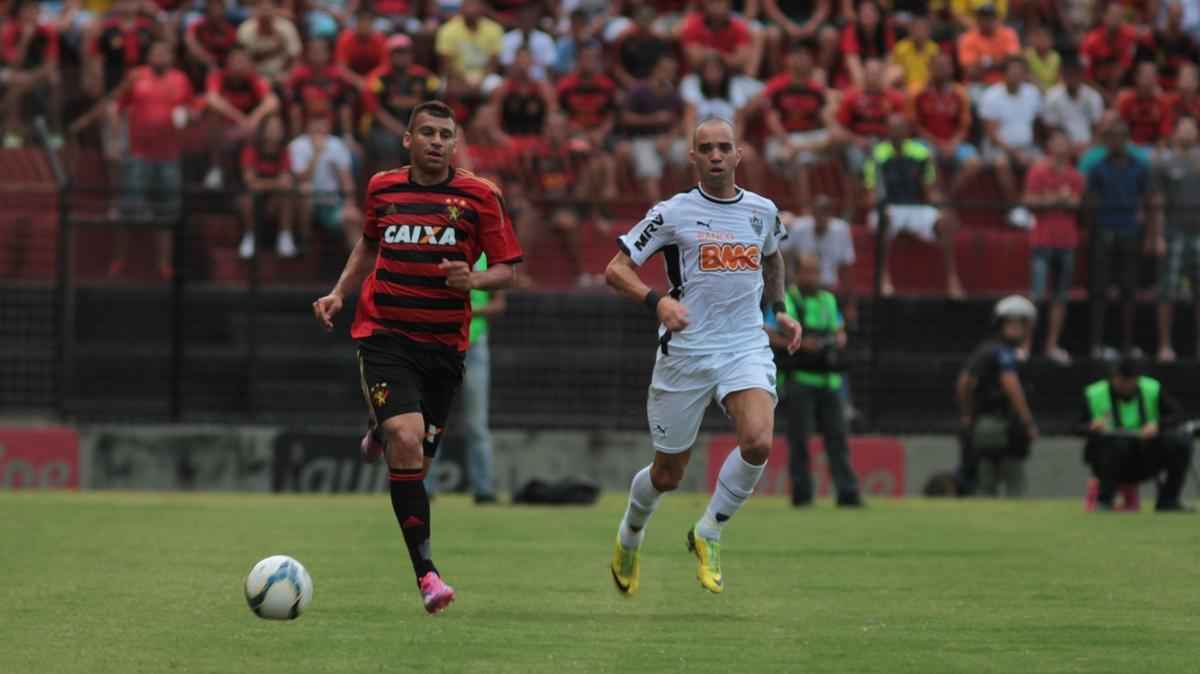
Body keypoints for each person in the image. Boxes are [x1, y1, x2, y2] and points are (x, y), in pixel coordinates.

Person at [311, 100, 523, 613]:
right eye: (425, 132)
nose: (435, 141)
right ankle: (427, 574)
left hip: (444, 347)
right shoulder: (383, 187)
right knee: (405, 439)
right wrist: (340, 292)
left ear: (456, 143)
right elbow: (367, 244)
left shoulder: (480, 196)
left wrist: (473, 279)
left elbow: (508, 268)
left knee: (419, 461)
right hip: (385, 333)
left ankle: (377, 423)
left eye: (444, 134)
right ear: (407, 140)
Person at [607, 118, 802, 596]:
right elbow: (615, 270)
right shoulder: (672, 213)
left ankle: (709, 531)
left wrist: (780, 310)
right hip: (688, 351)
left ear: (739, 155)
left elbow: (772, 255)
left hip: (744, 344)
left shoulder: (761, 210)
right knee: (668, 474)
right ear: (692, 158)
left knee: (757, 441)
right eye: (705, 148)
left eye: (724, 147)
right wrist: (659, 302)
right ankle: (631, 532)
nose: (716, 155)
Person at [70, 39, 193, 279]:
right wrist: (116, 130)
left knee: (166, 213)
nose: (159, 55)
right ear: (149, 56)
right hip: (138, 155)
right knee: (127, 210)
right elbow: (116, 104)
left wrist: (186, 114)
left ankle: (164, 265)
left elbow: (191, 107)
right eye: (155, 51)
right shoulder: (136, 76)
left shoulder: (181, 79)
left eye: (164, 51)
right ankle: (119, 260)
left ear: (171, 57)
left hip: (169, 156)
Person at [773, 253, 861, 508]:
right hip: (800, 380)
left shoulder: (828, 299)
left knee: (838, 438)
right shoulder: (786, 300)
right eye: (807, 272)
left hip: (830, 381)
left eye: (815, 272)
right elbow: (767, 331)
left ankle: (847, 492)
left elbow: (839, 330)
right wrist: (799, 344)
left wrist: (837, 339)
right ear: (796, 274)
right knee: (799, 441)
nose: (812, 277)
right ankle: (802, 495)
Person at [864, 113, 964, 298]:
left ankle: (952, 278)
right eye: (893, 130)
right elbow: (872, 191)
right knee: (883, 220)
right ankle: (883, 277)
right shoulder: (878, 154)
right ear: (887, 132)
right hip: (888, 208)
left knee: (944, 222)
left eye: (900, 130)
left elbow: (929, 189)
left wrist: (943, 208)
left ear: (907, 132)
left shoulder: (921, 153)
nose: (897, 133)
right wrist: (879, 204)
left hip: (915, 207)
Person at [1080, 358, 1194, 512]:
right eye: (1122, 381)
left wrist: (1157, 425)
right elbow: (1074, 426)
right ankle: (1105, 500)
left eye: (1130, 381)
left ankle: (1168, 500)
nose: (1126, 385)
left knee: (1181, 441)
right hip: (1109, 460)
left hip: (1146, 455)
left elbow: (1178, 415)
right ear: (1113, 378)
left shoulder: (1151, 388)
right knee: (1116, 445)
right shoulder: (1095, 393)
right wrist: (1090, 427)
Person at [956, 296, 1039, 497]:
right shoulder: (1005, 353)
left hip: (982, 427)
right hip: (1006, 426)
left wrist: (967, 414)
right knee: (1015, 483)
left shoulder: (984, 350)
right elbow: (1011, 386)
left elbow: (964, 382)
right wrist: (1027, 421)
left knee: (985, 486)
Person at [1085, 121, 1155, 358]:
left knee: (1129, 290)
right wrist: (1089, 232)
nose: (1116, 141)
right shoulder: (1097, 168)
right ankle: (1096, 344)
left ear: (1127, 139)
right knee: (1099, 290)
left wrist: (1149, 235)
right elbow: (1090, 202)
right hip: (1104, 231)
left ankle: (1127, 344)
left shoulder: (1139, 168)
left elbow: (1148, 201)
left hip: (1129, 231)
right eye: (1111, 137)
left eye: (1120, 136)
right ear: (1105, 141)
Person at [1023, 130, 1084, 365]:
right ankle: (1026, 345)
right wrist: (1058, 199)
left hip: (1066, 241)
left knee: (1060, 297)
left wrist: (1049, 199)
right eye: (1056, 141)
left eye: (1064, 142)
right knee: (1037, 295)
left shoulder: (1076, 175)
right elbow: (1030, 201)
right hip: (1042, 240)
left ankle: (1051, 345)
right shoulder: (1038, 171)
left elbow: (1075, 204)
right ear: (1049, 145)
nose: (1060, 146)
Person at [760, 40, 830, 212]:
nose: (801, 60)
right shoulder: (776, 87)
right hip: (783, 140)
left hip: (808, 139)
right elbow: (771, 120)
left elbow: (827, 120)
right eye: (796, 56)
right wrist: (787, 142)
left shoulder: (816, 89)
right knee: (801, 160)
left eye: (805, 56)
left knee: (835, 139)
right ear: (787, 60)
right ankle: (806, 210)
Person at [1153, 117, 1200, 362]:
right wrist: (1158, 236)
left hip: (1199, 233)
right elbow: (1158, 203)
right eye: (1184, 127)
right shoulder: (1163, 161)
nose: (1188, 131)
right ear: (1175, 132)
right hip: (1174, 232)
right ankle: (1165, 345)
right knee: (1167, 291)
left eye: (1193, 127)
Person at [362, 34, 439, 174]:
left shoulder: (425, 78)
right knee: (387, 143)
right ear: (389, 55)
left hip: (416, 126)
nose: (402, 57)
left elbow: (433, 107)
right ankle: (389, 186)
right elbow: (377, 112)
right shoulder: (377, 78)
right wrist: (401, 131)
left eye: (405, 52)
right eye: (397, 53)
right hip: (384, 128)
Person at [910, 53, 983, 198]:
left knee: (974, 162)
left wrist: (953, 143)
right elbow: (914, 125)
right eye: (938, 66)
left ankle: (947, 196)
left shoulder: (960, 93)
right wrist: (937, 143)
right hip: (926, 142)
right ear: (929, 68)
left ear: (951, 69)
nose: (941, 70)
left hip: (953, 142)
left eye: (945, 66)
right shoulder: (917, 92)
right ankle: (935, 195)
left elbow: (964, 126)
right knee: (927, 155)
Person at [979, 57, 1042, 224]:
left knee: (1042, 163)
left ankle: (1031, 207)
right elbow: (992, 134)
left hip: (1027, 146)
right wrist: (1015, 153)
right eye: (1012, 70)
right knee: (1001, 163)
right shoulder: (991, 95)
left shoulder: (1033, 93)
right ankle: (1015, 208)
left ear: (1025, 75)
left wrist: (1029, 148)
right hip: (998, 147)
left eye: (1020, 71)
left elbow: (1036, 125)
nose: (1016, 74)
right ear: (1004, 74)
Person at [619, 54, 689, 203]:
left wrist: (669, 139)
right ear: (656, 70)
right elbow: (626, 118)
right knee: (649, 168)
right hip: (642, 139)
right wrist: (653, 119)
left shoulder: (673, 93)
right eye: (665, 70)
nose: (668, 74)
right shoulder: (639, 90)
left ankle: (677, 205)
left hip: (667, 138)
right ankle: (656, 212)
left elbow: (682, 121)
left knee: (683, 154)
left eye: (672, 71)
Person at [289, 112, 362, 252]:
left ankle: (361, 267)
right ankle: (304, 239)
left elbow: (346, 179)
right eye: (315, 122)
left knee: (353, 218)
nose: (319, 127)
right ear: (308, 124)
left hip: (330, 203)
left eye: (322, 122)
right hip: (303, 204)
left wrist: (349, 204)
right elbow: (301, 178)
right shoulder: (297, 145)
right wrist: (316, 153)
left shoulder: (337, 144)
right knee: (306, 188)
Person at [781, 195, 857, 323]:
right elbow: (782, 255)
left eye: (825, 212)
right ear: (812, 212)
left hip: (828, 290)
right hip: (800, 290)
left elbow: (846, 268)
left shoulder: (842, 230)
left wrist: (850, 304)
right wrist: (787, 283)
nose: (821, 217)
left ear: (831, 214)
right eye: (818, 212)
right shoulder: (799, 227)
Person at [0, 0, 61, 147]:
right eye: (28, 10)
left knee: (54, 79)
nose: (31, 15)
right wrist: (25, 40)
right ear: (20, 12)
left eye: (35, 11)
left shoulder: (48, 32)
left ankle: (53, 131)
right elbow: (12, 63)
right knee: (14, 81)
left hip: (35, 73)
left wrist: (31, 77)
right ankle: (12, 132)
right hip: (11, 72)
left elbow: (51, 63)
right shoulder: (9, 30)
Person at [238, 114, 297, 259]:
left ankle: (285, 237)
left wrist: (263, 184)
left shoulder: (284, 152)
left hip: (275, 199)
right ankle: (249, 237)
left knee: (287, 196)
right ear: (263, 130)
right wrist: (275, 184)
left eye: (278, 128)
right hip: (254, 199)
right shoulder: (251, 150)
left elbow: (287, 182)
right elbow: (250, 182)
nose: (275, 131)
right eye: (271, 127)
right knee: (246, 200)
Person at [1041, 59, 1105, 157]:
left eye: (1075, 74)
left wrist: (1090, 145)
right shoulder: (1052, 96)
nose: (1072, 78)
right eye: (1068, 74)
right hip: (1063, 144)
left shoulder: (1093, 96)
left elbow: (1097, 127)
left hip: (1089, 144)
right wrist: (1069, 146)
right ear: (1062, 76)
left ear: (1081, 75)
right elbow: (1051, 129)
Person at [1117, 62, 1172, 152]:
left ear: (1157, 79)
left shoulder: (1163, 103)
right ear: (1136, 78)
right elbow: (1120, 129)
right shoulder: (1126, 101)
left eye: (1151, 76)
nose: (1148, 80)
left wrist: (1159, 150)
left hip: (1154, 148)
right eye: (1145, 75)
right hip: (1129, 147)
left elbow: (1164, 134)